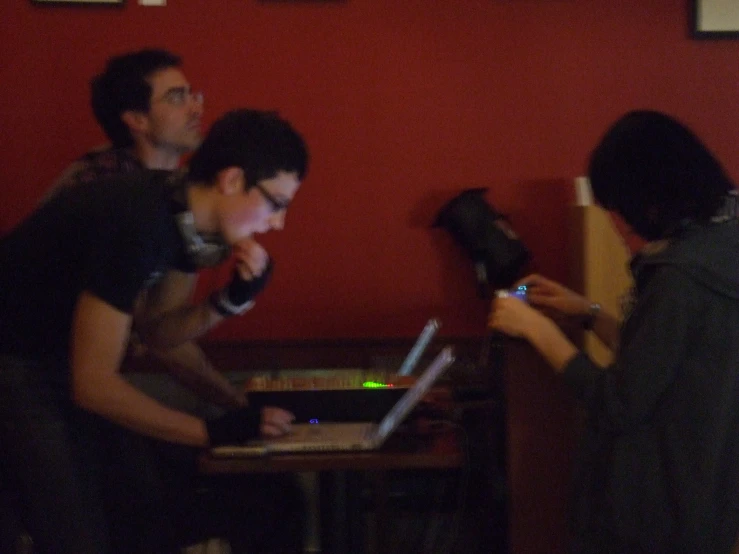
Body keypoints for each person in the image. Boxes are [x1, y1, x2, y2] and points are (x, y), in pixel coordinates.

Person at [0, 109, 309, 554]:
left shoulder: (177, 213)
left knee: (145, 510)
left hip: (51, 364)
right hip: (17, 364)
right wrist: (212, 433)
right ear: (232, 180)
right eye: (276, 203)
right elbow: (94, 385)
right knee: (80, 538)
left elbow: (157, 334)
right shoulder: (140, 224)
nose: (277, 223)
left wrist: (232, 300)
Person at [488, 110, 739, 553]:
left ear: (655, 200)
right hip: (705, 505)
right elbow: (669, 365)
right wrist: (589, 313)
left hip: (653, 516)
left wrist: (537, 330)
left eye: (619, 211)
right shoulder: (722, 250)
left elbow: (618, 402)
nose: (617, 227)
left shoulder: (681, 279)